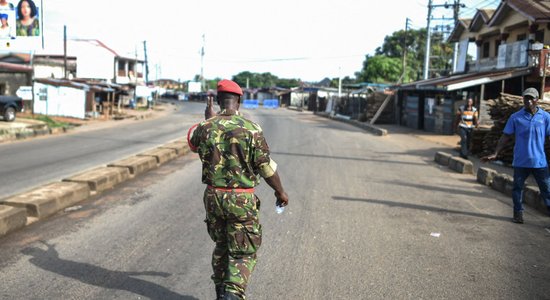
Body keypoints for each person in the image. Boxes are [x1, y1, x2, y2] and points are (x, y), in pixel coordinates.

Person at [188, 79, 289, 300]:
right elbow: (265, 167)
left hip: (213, 197)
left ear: (219, 100)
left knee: (222, 245)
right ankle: (231, 294)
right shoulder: (252, 129)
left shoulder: (205, 127)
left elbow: (193, 144)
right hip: (241, 200)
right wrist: (280, 192)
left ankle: (221, 291)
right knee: (243, 251)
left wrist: (209, 119)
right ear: (239, 101)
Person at [482, 87, 550, 223]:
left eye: (531, 98)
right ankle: (518, 214)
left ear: (537, 100)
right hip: (521, 161)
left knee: (547, 189)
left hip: (539, 161)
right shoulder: (516, 117)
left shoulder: (545, 117)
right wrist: (495, 153)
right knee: (517, 188)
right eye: (526, 98)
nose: (528, 101)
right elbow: (505, 137)